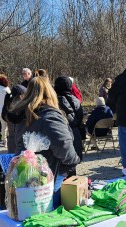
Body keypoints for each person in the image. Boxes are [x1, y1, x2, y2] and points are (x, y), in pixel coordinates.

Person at [12, 76, 80, 207]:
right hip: (49, 176)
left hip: (25, 176)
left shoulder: (23, 115)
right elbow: (62, 145)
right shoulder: (50, 116)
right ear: (50, 92)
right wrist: (73, 160)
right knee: (48, 211)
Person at [54, 76, 85, 169]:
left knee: (62, 167)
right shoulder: (76, 99)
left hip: (62, 134)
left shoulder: (55, 101)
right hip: (76, 133)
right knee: (72, 165)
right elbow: (80, 116)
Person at [1, 84, 27, 154]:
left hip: (13, 147)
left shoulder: (9, 102)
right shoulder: (19, 107)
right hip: (20, 148)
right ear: (21, 96)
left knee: (11, 137)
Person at [0, 74, 11, 146]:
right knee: (9, 126)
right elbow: (11, 99)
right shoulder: (6, 90)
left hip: (0, 110)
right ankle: (10, 140)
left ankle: (4, 141)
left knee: (3, 126)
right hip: (7, 110)